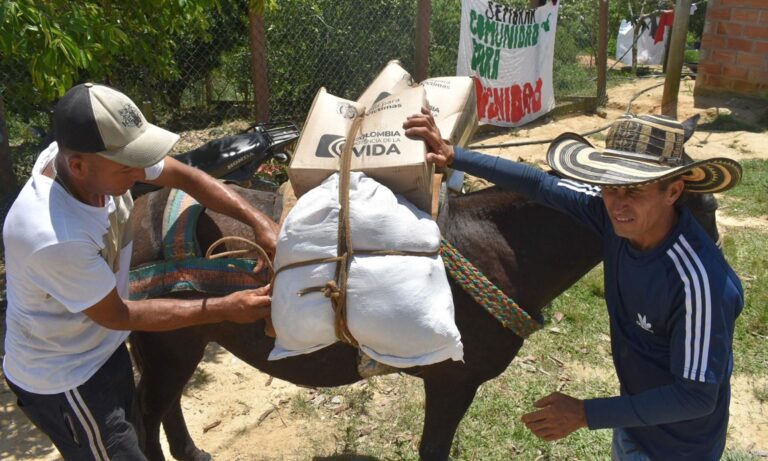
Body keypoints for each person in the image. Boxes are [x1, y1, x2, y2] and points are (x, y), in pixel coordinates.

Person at [404, 108, 744, 460]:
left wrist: (585, 413)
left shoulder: (700, 284)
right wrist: (455, 154)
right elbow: (540, 185)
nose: (618, 203)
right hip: (634, 423)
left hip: (680, 448)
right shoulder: (613, 219)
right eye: (610, 186)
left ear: (673, 191)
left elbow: (697, 397)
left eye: (635, 189)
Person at [3, 83, 278, 460]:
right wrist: (223, 307)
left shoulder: (87, 159)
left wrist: (258, 220)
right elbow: (120, 314)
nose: (141, 171)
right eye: (128, 165)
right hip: (67, 378)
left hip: (99, 348)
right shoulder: (53, 235)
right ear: (79, 165)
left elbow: (187, 176)